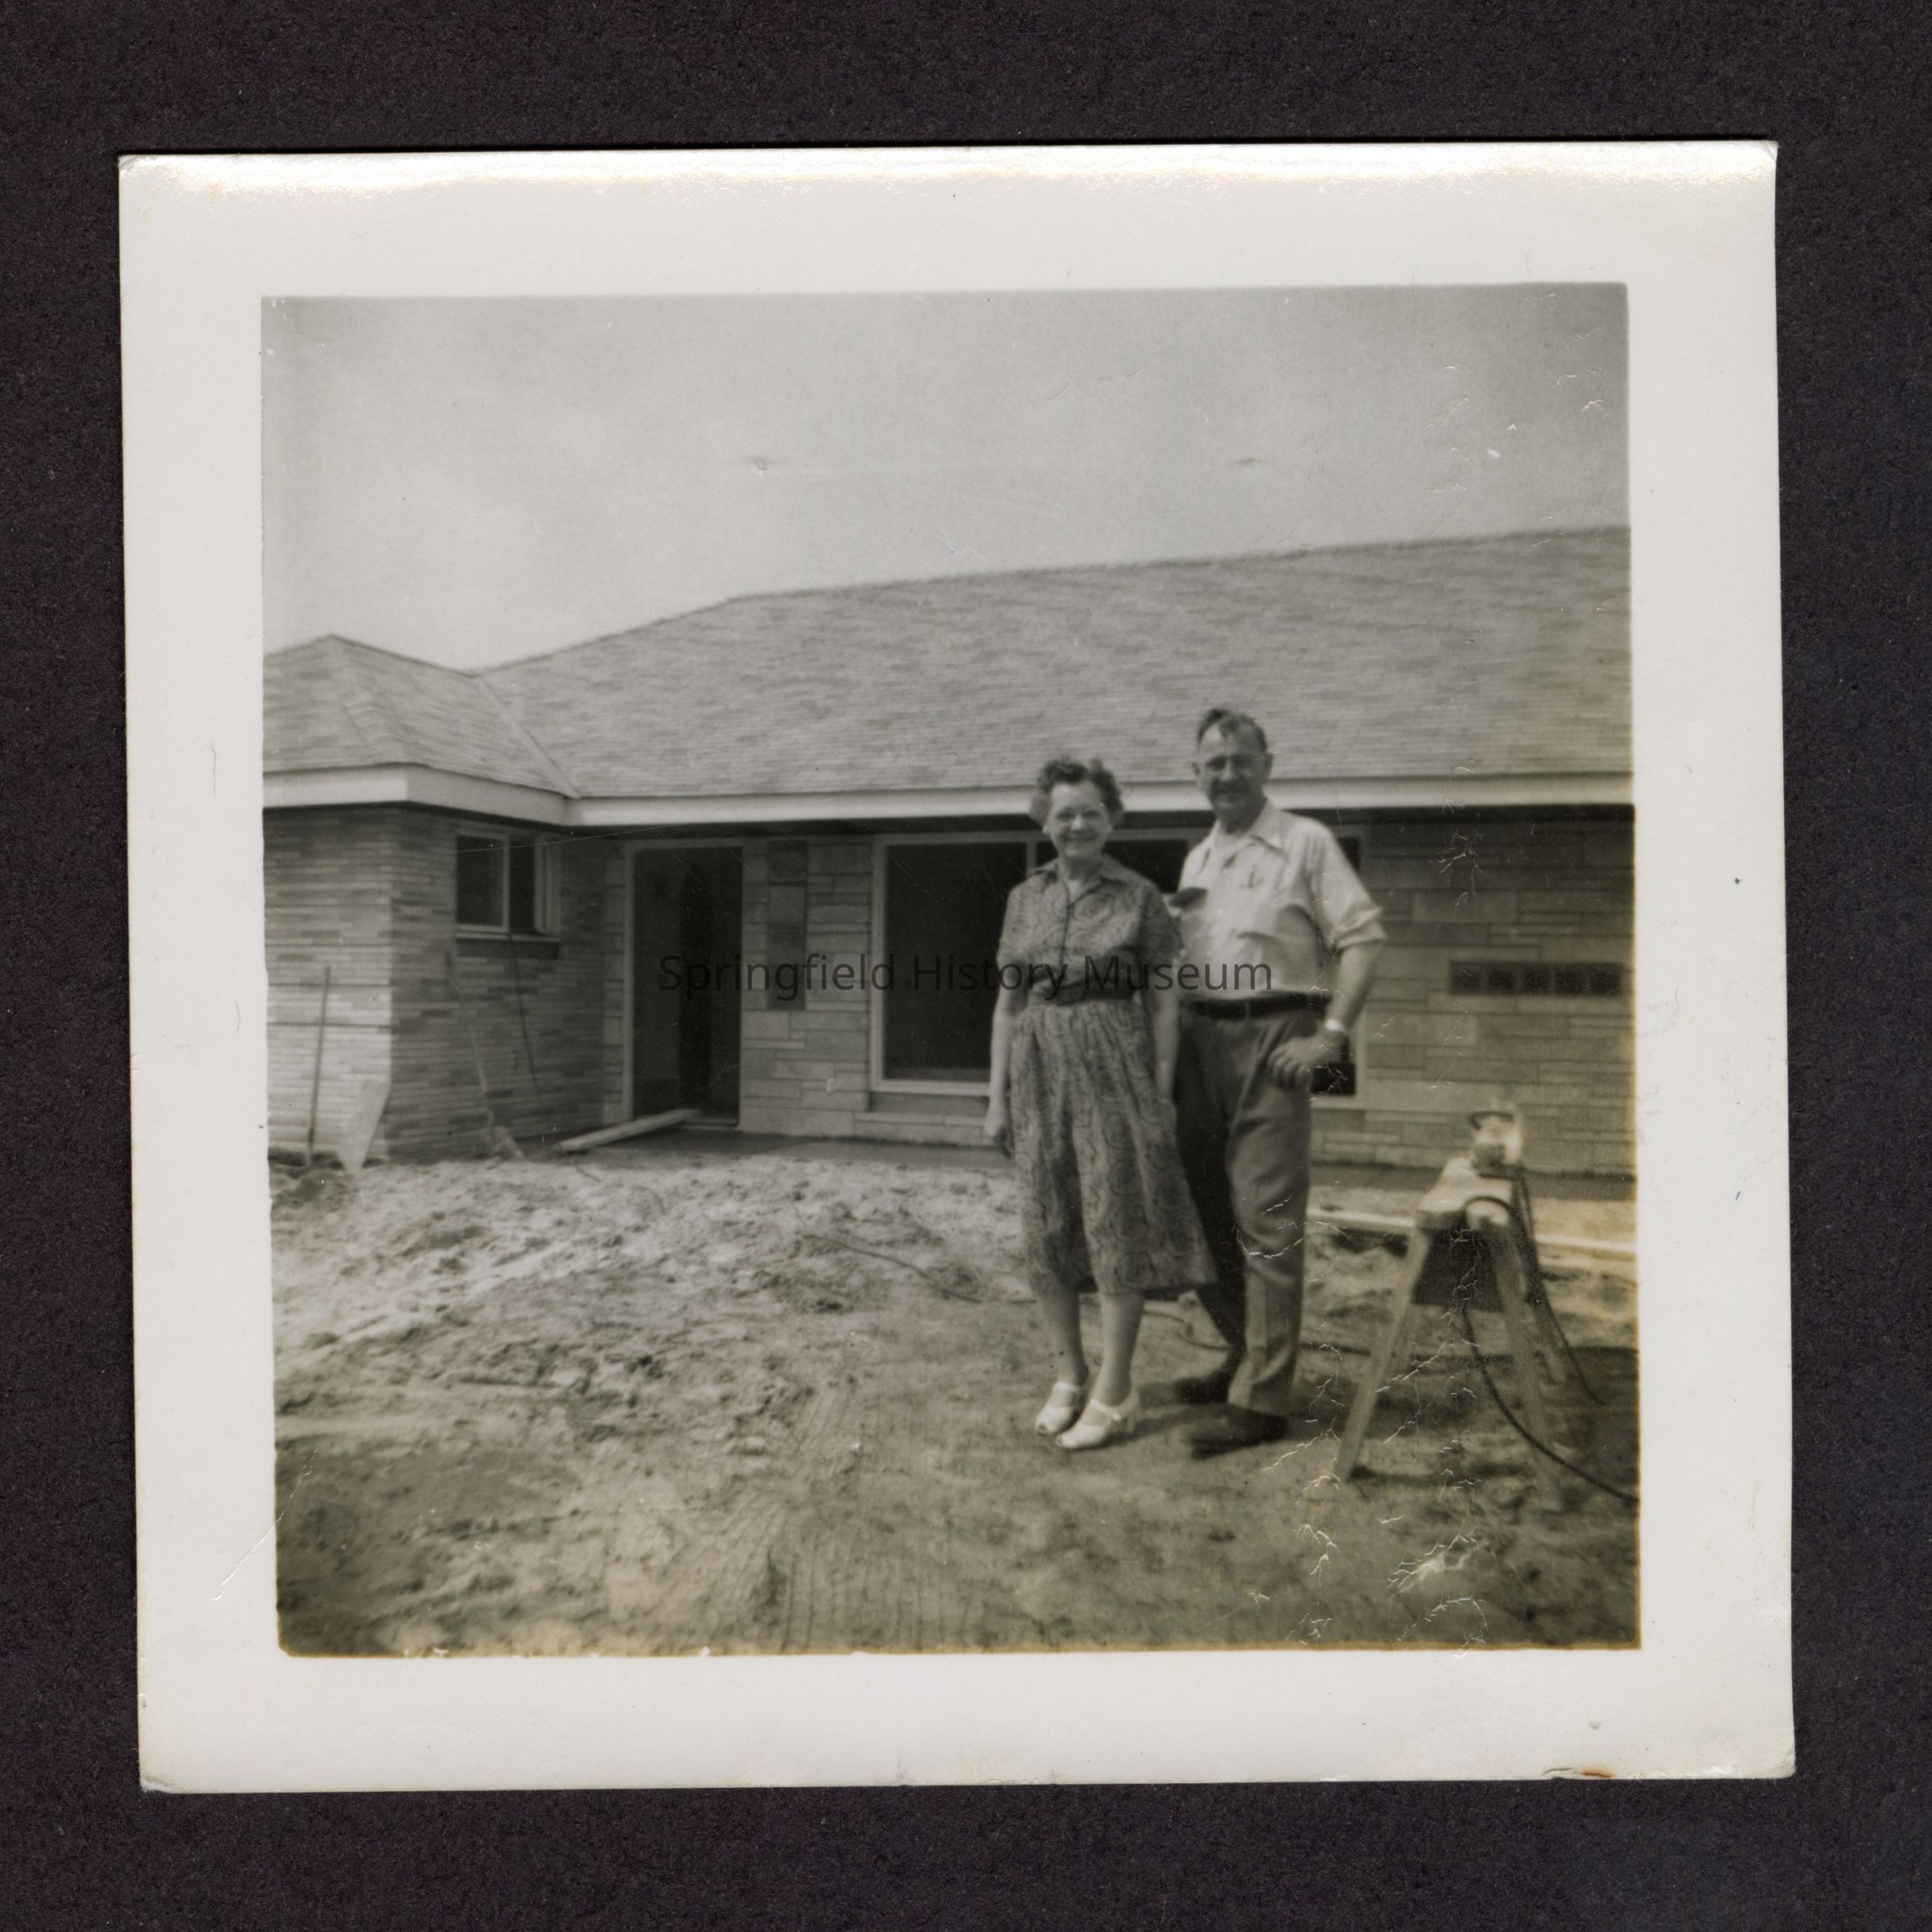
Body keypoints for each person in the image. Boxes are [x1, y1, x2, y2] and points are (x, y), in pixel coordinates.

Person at [1170, 708, 1386, 1458]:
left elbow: (1363, 939)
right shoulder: (1199, 858)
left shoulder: (1306, 843)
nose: (1227, 774)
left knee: (1266, 1219)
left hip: (1272, 1040)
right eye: (1214, 763)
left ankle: (1263, 1401)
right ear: (1196, 774)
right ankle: (1242, 1354)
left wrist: (1331, 1035)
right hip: (1198, 1042)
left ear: (1268, 765)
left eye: (1241, 760)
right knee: (1199, 1214)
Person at [984, 757, 1217, 1451]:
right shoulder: (1024, 898)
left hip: (1115, 1063)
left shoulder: (1139, 897)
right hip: (1038, 1068)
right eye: (1064, 813)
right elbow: (1007, 1006)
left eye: (1091, 812)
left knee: (1115, 1221)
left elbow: (1165, 1003)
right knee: (1048, 1223)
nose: (1078, 825)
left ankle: (1116, 1390)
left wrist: (1163, 1092)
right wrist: (996, 1098)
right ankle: (1070, 1375)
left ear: (1112, 818)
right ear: (1044, 820)